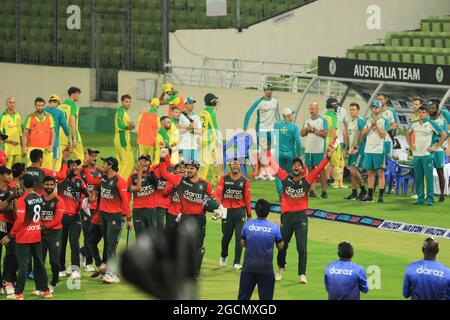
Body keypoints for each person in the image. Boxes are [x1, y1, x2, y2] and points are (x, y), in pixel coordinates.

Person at [262, 139, 336, 284]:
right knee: (282, 245)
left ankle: (302, 274)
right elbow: (273, 164)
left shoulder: (307, 180)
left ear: (302, 169)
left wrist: (328, 156)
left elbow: (320, 168)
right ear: (291, 168)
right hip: (287, 217)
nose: (297, 166)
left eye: (299, 165)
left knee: (301, 247)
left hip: (301, 217)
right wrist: (266, 150)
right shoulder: (284, 178)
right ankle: (281, 267)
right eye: (295, 164)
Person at [158, 149, 218, 279]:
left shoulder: (205, 184)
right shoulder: (180, 180)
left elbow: (214, 198)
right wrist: (162, 158)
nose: (189, 170)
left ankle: (195, 272)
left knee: (199, 246)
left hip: (200, 219)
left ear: (197, 170)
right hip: (185, 217)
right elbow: (163, 173)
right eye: (188, 168)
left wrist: (218, 208)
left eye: (192, 168)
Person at [81, 156, 132, 284]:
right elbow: (91, 180)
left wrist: (129, 218)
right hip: (103, 216)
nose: (102, 165)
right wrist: (86, 166)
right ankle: (104, 268)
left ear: (110, 166)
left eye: (104, 163)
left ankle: (113, 274)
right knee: (104, 244)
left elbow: (125, 201)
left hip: (114, 217)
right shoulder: (103, 178)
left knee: (110, 246)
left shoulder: (120, 181)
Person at [1, 174, 51, 300]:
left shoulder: (23, 200)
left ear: (23, 183)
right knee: (39, 263)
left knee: (23, 265)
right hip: (36, 235)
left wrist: (10, 235)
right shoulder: (39, 198)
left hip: (24, 237)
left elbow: (20, 220)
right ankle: (46, 291)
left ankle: (19, 293)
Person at [237, 199, 284, 301]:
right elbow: (280, 246)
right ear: (268, 212)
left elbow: (243, 244)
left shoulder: (248, 225)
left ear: (256, 210)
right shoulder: (274, 227)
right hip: (266, 269)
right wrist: (279, 229)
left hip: (248, 268)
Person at [215, 158, 252, 270]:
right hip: (226, 211)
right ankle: (223, 256)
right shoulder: (224, 178)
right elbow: (217, 194)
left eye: (238, 164)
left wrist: (249, 214)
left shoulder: (245, 181)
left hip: (239, 211)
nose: (235, 166)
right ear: (230, 165)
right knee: (226, 237)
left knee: (239, 237)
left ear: (241, 166)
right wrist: (219, 206)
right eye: (233, 164)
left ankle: (236, 262)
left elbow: (247, 199)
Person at [406, 105, 446, 206]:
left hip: (427, 155)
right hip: (416, 156)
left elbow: (444, 135)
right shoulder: (414, 124)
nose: (421, 114)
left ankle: (430, 200)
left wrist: (436, 147)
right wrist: (410, 146)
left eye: (424, 112)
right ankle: (420, 200)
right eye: (420, 112)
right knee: (418, 178)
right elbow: (407, 133)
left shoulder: (431, 123)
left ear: (427, 114)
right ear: (417, 113)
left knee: (429, 179)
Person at [57, 159, 89, 280]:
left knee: (74, 243)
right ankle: (61, 268)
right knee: (62, 243)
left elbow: (87, 195)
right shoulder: (61, 181)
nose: (76, 167)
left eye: (77, 165)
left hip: (76, 216)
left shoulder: (80, 182)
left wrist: (88, 200)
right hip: (62, 216)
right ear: (67, 168)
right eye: (73, 165)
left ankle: (75, 269)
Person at [243, 83, 280, 179]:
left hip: (271, 129)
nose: (270, 91)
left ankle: (262, 172)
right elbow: (248, 114)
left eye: (271, 89)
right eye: (268, 90)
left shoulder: (275, 101)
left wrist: (279, 126)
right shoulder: (259, 102)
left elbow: (277, 114)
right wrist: (245, 129)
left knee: (268, 150)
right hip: (261, 129)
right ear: (264, 91)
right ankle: (261, 173)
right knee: (263, 150)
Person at [359, 100, 390, 203]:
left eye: (376, 107)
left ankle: (381, 196)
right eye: (373, 107)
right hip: (368, 149)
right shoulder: (368, 120)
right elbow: (363, 133)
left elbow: (384, 134)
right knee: (370, 172)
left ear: (380, 108)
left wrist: (376, 126)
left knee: (380, 172)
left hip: (379, 149)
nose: (374, 109)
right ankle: (370, 195)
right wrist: (370, 127)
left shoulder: (384, 120)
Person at [78, 148, 102, 272]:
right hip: (85, 206)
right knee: (87, 233)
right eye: (92, 156)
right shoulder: (80, 172)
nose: (94, 158)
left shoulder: (100, 171)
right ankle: (89, 262)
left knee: (94, 236)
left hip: (97, 207)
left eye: (95, 156)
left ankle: (82, 251)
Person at [40, 175, 64, 291]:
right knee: (40, 260)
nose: (49, 187)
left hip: (55, 233)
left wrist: (43, 227)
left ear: (55, 186)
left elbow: (57, 220)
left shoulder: (59, 201)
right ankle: (41, 284)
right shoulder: (39, 199)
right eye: (47, 184)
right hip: (41, 234)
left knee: (54, 260)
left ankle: (54, 281)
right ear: (43, 186)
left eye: (51, 185)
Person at [301, 102, 329, 198]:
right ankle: (312, 191)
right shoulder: (307, 120)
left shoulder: (322, 120)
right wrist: (307, 130)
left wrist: (314, 130)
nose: (311, 111)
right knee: (310, 169)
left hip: (319, 149)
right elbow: (302, 133)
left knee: (321, 170)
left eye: (313, 109)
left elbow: (325, 134)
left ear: (317, 109)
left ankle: (324, 191)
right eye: (310, 109)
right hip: (308, 149)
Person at [273, 108, 302, 196]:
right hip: (290, 154)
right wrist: (299, 154)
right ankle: (288, 193)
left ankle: (281, 192)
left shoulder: (276, 125)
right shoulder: (294, 127)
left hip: (278, 153)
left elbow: (273, 139)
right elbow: (298, 142)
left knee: (278, 173)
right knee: (290, 174)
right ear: (289, 116)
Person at [127, 155, 157, 238]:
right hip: (138, 211)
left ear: (150, 163)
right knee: (140, 237)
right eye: (141, 161)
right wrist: (126, 215)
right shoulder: (132, 176)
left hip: (151, 210)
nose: (143, 162)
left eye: (146, 160)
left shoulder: (154, 174)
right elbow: (127, 196)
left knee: (152, 237)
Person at [22, 97, 55, 169]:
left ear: (44, 105)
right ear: (35, 106)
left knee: (47, 171)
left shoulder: (49, 116)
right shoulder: (30, 117)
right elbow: (25, 134)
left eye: (42, 105)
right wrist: (24, 147)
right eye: (38, 105)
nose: (40, 107)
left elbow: (53, 133)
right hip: (32, 148)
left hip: (46, 148)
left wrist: (51, 145)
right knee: (32, 171)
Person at [0, 166, 18, 296]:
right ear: (1, 176)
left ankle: (7, 280)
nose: (11, 177)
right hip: (0, 224)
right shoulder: (11, 193)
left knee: (13, 254)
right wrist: (11, 198)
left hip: (11, 226)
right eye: (8, 174)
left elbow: (16, 211)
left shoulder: (13, 190)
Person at [344, 103, 367, 200]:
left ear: (358, 111)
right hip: (351, 150)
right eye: (350, 109)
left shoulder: (360, 121)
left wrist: (357, 147)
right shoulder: (350, 122)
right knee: (351, 171)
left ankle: (363, 190)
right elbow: (349, 138)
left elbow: (362, 134)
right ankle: (354, 192)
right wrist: (346, 149)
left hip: (358, 150)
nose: (352, 111)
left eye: (354, 109)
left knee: (354, 170)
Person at [429, 101, 449, 202]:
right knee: (427, 173)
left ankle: (442, 195)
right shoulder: (426, 120)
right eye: (430, 108)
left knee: (440, 172)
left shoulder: (442, 121)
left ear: (437, 109)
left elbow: (446, 135)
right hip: (428, 149)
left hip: (439, 149)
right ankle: (427, 194)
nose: (431, 110)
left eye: (433, 108)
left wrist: (439, 146)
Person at [45, 94, 72, 171]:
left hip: (44, 141)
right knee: (55, 162)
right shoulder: (60, 113)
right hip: (55, 142)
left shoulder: (43, 111)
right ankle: (54, 177)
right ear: (57, 102)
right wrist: (69, 139)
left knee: (45, 161)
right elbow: (65, 127)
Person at [199, 93, 221, 184]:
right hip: (210, 139)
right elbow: (213, 126)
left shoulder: (203, 111)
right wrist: (218, 139)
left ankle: (210, 179)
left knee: (208, 161)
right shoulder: (210, 112)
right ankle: (204, 180)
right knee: (213, 161)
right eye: (215, 100)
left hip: (204, 137)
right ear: (212, 101)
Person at [59, 87, 83, 162]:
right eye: (78, 94)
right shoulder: (73, 106)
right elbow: (72, 123)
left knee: (61, 158)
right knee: (80, 157)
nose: (79, 96)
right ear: (72, 94)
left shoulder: (61, 106)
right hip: (71, 134)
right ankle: (80, 173)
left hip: (61, 136)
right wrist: (74, 138)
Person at [323, 97, 343, 190]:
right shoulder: (333, 116)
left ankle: (327, 180)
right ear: (334, 106)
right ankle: (336, 183)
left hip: (324, 141)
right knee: (336, 163)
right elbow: (333, 130)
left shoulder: (325, 115)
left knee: (328, 163)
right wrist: (334, 143)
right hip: (332, 141)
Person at [114, 94, 135, 179]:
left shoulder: (123, 112)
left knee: (121, 162)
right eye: (126, 101)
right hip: (122, 139)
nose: (128, 103)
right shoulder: (121, 112)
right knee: (128, 162)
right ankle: (121, 183)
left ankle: (115, 181)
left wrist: (129, 127)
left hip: (120, 138)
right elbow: (120, 125)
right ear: (122, 102)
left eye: (130, 102)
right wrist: (128, 127)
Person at [0, 97, 22, 168]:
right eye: (10, 102)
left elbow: (20, 131)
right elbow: (0, 134)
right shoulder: (2, 116)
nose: (12, 104)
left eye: (13, 102)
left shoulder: (18, 115)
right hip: (7, 148)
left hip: (17, 148)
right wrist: (11, 142)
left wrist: (22, 145)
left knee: (17, 169)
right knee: (7, 169)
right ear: (6, 104)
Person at [178, 97, 202, 163]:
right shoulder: (180, 116)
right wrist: (189, 127)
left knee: (194, 166)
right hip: (183, 146)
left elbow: (200, 131)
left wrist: (193, 131)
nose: (192, 105)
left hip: (194, 146)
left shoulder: (196, 117)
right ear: (185, 105)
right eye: (190, 103)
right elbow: (178, 131)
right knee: (184, 165)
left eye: (193, 103)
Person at [163, 162, 185, 230]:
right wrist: (174, 185)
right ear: (176, 170)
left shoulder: (190, 181)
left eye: (184, 167)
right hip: (172, 213)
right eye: (180, 167)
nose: (182, 169)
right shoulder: (171, 180)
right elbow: (165, 194)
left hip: (185, 214)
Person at [378, 93, 399, 159]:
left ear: (386, 100)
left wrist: (384, 128)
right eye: (378, 100)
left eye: (381, 99)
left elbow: (395, 126)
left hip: (387, 140)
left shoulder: (391, 112)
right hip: (376, 141)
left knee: (387, 161)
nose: (379, 101)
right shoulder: (375, 112)